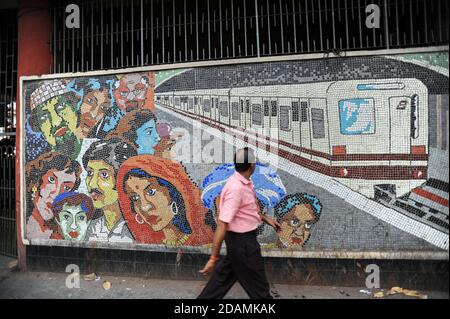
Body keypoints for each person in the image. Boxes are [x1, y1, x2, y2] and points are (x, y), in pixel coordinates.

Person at [197, 147, 280, 299]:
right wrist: (212, 259)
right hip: (244, 246)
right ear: (251, 165)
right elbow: (222, 224)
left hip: (239, 247)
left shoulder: (244, 182)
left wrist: (266, 218)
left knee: (217, 287)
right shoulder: (236, 189)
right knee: (261, 292)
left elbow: (246, 210)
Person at [117, 155, 213, 246]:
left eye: (151, 192)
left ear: (172, 192)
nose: (145, 207)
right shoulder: (148, 248)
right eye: (135, 198)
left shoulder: (206, 244)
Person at [82, 138, 136, 242]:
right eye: (90, 173)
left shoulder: (136, 229)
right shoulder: (92, 228)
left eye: (104, 175)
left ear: (123, 180)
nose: (92, 183)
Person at [25, 152, 82, 239]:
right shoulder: (24, 217)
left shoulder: (63, 234)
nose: (55, 194)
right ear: (37, 180)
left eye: (66, 188)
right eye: (51, 180)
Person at [28, 80, 83, 160]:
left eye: (61, 106)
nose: (56, 122)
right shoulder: (41, 166)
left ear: (74, 107)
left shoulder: (97, 147)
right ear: (38, 126)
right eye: (44, 116)